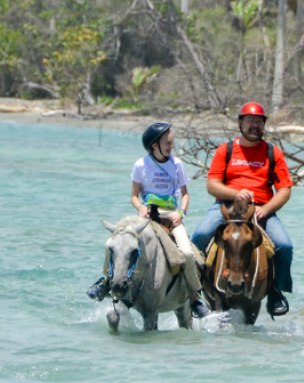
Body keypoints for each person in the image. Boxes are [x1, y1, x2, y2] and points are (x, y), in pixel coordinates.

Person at [86, 122, 211, 318]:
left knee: (187, 253)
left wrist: (182, 213)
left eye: (172, 142)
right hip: (146, 218)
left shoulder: (177, 164)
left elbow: (185, 195)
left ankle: (195, 297)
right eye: (168, 143)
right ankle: (105, 282)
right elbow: (134, 196)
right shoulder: (140, 165)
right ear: (155, 145)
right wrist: (140, 208)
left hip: (171, 218)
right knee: (114, 242)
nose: (172, 146)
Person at [190, 102, 294, 316]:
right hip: (226, 207)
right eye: (250, 121)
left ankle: (275, 292)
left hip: (261, 209)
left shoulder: (272, 153)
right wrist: (235, 194)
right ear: (240, 123)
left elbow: (284, 190)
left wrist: (265, 209)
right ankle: (194, 289)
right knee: (200, 235)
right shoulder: (225, 150)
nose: (254, 126)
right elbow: (212, 185)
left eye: (259, 122)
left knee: (284, 246)